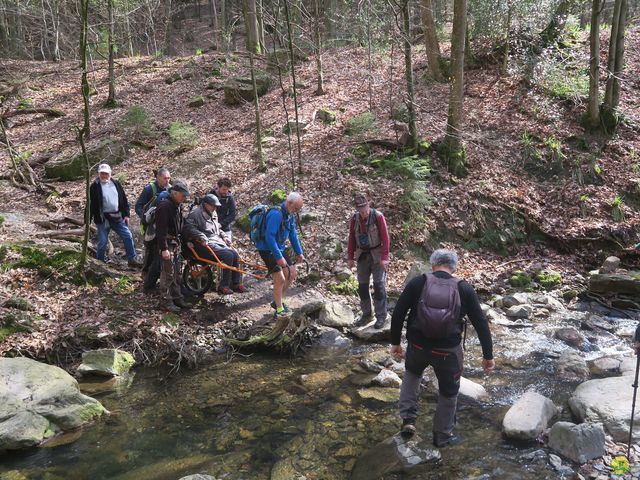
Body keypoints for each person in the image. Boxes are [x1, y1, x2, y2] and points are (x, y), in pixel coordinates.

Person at [390, 249, 495, 448]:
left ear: (433, 265)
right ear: (454, 267)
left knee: (412, 374)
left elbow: (398, 313)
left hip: (418, 346)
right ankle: (442, 437)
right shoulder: (464, 288)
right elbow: (481, 323)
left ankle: (409, 421)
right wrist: (487, 356)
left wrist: (396, 343)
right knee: (448, 393)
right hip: (448, 352)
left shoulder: (418, 282)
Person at [183, 194, 247, 295]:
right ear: (206, 204)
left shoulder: (213, 213)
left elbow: (217, 229)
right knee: (228, 255)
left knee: (234, 254)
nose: (215, 208)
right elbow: (189, 228)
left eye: (216, 206)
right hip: (202, 244)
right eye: (213, 205)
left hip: (215, 241)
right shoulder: (195, 214)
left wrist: (224, 236)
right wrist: (201, 236)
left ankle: (235, 283)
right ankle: (223, 286)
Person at [255, 192, 305, 318]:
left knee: (292, 273)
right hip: (267, 249)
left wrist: (299, 252)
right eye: (296, 208)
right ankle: (279, 310)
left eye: (299, 209)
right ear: (289, 203)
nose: (297, 211)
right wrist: (278, 257)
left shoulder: (289, 214)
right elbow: (269, 237)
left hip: (279, 247)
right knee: (280, 278)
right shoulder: (276, 214)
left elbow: (293, 235)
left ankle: (277, 301)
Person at [347, 194, 391, 329]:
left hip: (377, 255)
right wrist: (350, 257)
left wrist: (384, 257)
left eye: (365, 208)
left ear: (368, 205)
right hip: (362, 255)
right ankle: (367, 315)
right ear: (357, 209)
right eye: (360, 209)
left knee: (379, 286)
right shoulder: (354, 219)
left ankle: (381, 316)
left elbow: (385, 237)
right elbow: (351, 238)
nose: (364, 211)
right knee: (362, 286)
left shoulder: (378, 216)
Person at [89, 163, 141, 268]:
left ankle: (132, 258)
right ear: (99, 174)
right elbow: (90, 204)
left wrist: (126, 214)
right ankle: (100, 262)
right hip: (103, 218)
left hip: (117, 216)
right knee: (103, 242)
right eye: (102, 173)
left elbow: (124, 199)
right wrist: (88, 219)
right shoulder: (95, 186)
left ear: (110, 174)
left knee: (128, 236)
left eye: (106, 174)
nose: (104, 176)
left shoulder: (116, 183)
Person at [155, 180, 191, 313]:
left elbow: (181, 226)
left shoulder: (177, 206)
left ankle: (177, 297)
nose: (185, 198)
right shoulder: (164, 206)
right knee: (167, 273)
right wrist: (164, 248)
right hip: (167, 244)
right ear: (175, 193)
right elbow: (160, 230)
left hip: (176, 243)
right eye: (183, 195)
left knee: (177, 272)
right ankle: (165, 301)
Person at [135, 167, 171, 293]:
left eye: (169, 178)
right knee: (150, 251)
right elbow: (138, 206)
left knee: (156, 252)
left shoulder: (170, 189)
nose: (167, 181)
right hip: (148, 227)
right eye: (165, 178)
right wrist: (146, 217)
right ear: (158, 178)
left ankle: (152, 278)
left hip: (161, 228)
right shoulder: (149, 189)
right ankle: (145, 274)